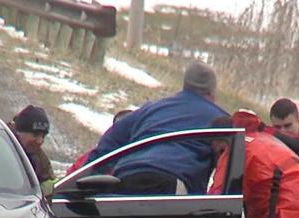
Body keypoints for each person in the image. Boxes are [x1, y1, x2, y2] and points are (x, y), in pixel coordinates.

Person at [84, 61, 229, 194]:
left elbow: (107, 145)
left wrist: (84, 184)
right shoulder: (220, 120)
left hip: (127, 175)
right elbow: (237, 165)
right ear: (212, 92)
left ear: (185, 86)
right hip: (171, 182)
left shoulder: (150, 109)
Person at [65, 109, 133, 176]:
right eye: (120, 128)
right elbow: (70, 178)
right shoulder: (96, 157)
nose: (124, 132)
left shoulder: (139, 156)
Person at [9, 105, 55, 194]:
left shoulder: (39, 157)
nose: (40, 141)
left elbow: (48, 180)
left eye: (43, 136)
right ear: (19, 132)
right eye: (36, 135)